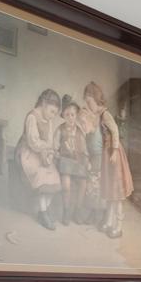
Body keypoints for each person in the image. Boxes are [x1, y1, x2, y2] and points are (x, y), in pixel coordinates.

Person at [82, 80, 133, 239]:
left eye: (89, 101)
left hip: (114, 155)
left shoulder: (105, 114)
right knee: (110, 191)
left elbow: (115, 131)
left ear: (95, 99)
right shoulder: (97, 115)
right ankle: (109, 222)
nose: (88, 104)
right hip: (107, 154)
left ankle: (118, 225)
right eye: (86, 101)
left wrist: (114, 151)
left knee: (116, 193)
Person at [14, 89, 63, 230]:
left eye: (55, 113)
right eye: (52, 112)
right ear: (43, 103)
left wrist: (52, 150)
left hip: (41, 153)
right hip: (27, 153)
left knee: (54, 176)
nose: (53, 116)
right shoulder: (32, 117)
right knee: (43, 175)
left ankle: (45, 209)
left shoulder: (49, 121)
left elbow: (48, 141)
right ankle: (43, 212)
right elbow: (33, 142)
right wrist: (47, 149)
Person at [55, 95, 91, 225]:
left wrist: (87, 160)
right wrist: (56, 155)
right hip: (65, 161)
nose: (70, 118)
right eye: (67, 115)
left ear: (76, 116)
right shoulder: (60, 130)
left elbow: (84, 148)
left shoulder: (80, 131)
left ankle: (77, 210)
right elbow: (55, 147)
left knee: (83, 182)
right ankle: (66, 211)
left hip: (77, 161)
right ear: (63, 116)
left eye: (73, 115)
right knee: (66, 185)